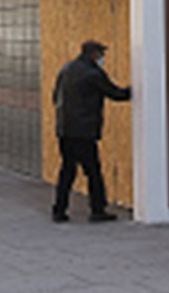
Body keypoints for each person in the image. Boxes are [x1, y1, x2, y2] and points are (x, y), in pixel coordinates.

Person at [52, 39, 131, 222]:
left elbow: (55, 96)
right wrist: (137, 90)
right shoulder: (93, 74)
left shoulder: (66, 69)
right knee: (93, 171)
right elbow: (115, 94)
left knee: (67, 170)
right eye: (101, 54)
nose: (103, 58)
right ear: (94, 54)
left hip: (64, 130)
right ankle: (98, 210)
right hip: (84, 131)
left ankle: (59, 210)